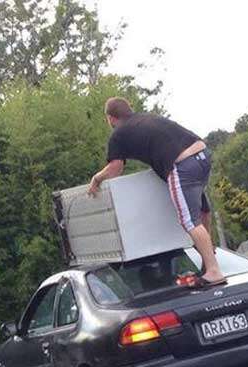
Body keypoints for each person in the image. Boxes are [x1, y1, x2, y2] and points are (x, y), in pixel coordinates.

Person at [88, 97, 225, 286]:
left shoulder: (119, 133)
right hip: (202, 156)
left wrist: (97, 178)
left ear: (110, 118)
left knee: (188, 220)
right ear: (130, 110)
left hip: (182, 164)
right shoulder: (149, 119)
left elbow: (115, 167)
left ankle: (213, 270)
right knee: (202, 210)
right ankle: (208, 259)